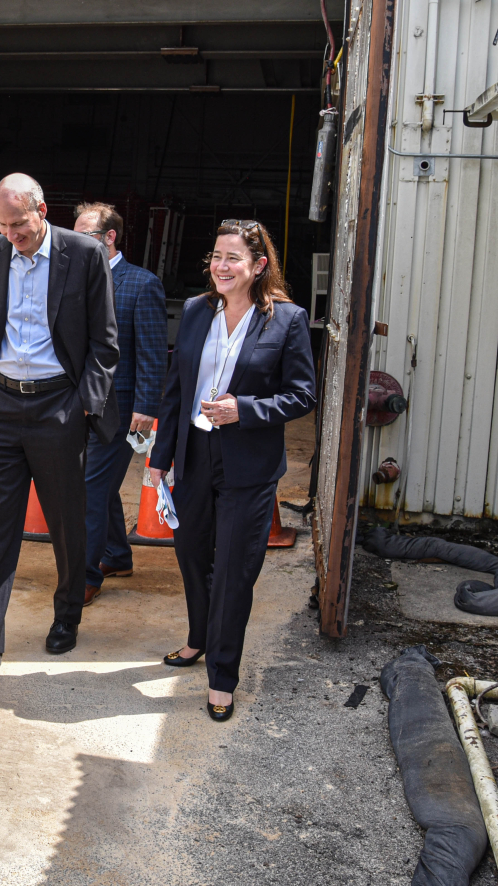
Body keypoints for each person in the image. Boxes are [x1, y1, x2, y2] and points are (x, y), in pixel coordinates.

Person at [0, 174, 118, 686]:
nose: (11, 234)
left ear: (42, 210)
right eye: (2, 225)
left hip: (58, 407)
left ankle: (67, 614)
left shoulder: (83, 255)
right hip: (0, 405)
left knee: (67, 522)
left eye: (19, 223)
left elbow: (104, 344)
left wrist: (84, 407)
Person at [147, 219, 315, 722]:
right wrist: (158, 461)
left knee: (234, 576)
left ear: (258, 266)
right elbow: (177, 389)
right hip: (194, 455)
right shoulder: (198, 310)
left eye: (232, 258)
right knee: (192, 554)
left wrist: (248, 409)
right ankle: (200, 637)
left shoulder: (286, 320)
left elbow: (302, 394)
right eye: (216, 256)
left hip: (249, 464)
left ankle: (222, 676)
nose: (221, 266)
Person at [73, 202, 167, 604]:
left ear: (110, 237)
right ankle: (116, 553)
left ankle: (87, 575)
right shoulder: (74, 278)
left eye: (85, 236)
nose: (76, 243)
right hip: (80, 405)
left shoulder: (140, 284)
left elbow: (152, 353)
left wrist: (146, 409)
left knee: (90, 491)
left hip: (121, 409)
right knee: (100, 487)